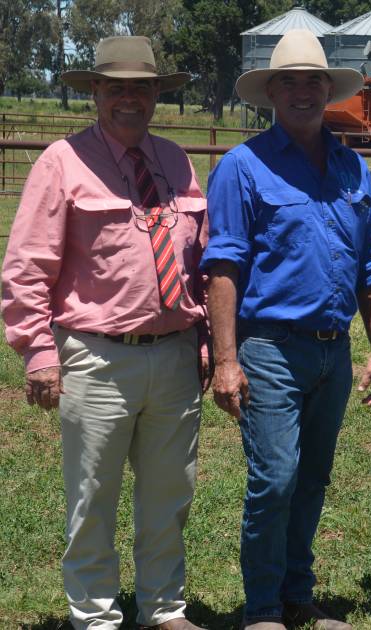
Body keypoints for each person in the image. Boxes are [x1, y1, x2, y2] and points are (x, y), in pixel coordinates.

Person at [1, 36, 208, 630]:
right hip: (96, 356)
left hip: (172, 355)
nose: (129, 99)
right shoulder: (60, 163)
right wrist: (39, 352)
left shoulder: (175, 161)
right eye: (115, 87)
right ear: (95, 92)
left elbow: (196, 257)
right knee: (92, 495)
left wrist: (202, 339)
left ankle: (163, 608)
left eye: (140, 88)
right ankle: (93, 614)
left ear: (155, 94)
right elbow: (26, 265)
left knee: (170, 495)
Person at [201, 30, 371, 630]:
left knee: (311, 479)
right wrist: (226, 360)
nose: (304, 92)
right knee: (276, 477)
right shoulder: (243, 167)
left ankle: (297, 592)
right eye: (291, 81)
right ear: (272, 92)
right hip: (269, 350)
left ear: (329, 91)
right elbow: (224, 268)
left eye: (315, 81)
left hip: (334, 352)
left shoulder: (352, 167)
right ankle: (261, 606)